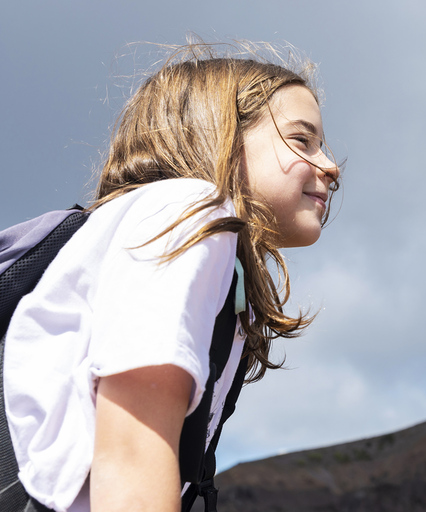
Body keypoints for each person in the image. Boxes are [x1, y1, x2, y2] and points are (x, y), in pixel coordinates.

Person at [2, 42, 340, 511]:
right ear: (218, 134)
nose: (330, 165)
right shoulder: (189, 213)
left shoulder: (198, 249)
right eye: (302, 141)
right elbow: (130, 455)